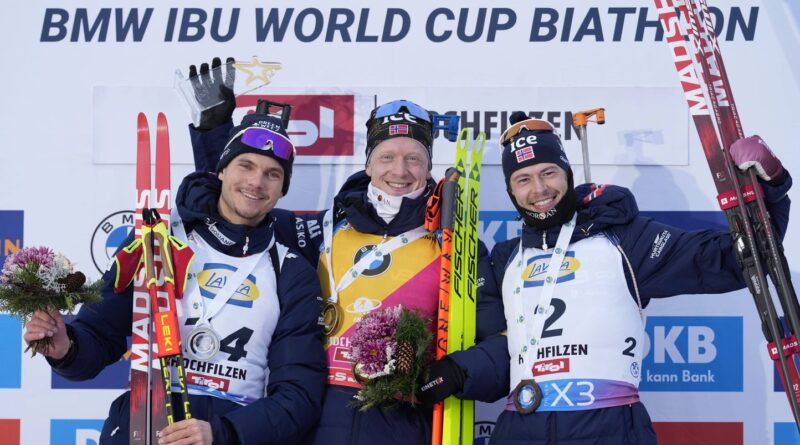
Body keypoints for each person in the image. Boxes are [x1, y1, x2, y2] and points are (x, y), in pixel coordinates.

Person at [419, 111, 793, 444]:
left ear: (567, 173)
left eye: (549, 173)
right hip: (521, 427)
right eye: (524, 179)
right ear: (511, 191)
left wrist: (771, 189)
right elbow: (510, 350)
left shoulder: (623, 239)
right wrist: (458, 371)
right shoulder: (507, 259)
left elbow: (739, 259)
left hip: (608, 424)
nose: (539, 190)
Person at [189, 96, 510, 444]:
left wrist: (454, 372)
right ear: (369, 165)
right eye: (387, 156)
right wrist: (216, 138)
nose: (399, 171)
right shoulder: (320, 231)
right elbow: (241, 204)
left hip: (401, 426)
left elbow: (501, 345)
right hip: (312, 426)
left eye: (413, 158)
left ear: (428, 166)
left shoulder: (456, 246)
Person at [23, 103, 327, 445]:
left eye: (273, 173)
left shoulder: (290, 271)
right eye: (246, 165)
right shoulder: (158, 240)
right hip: (142, 425)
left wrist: (223, 432)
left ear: (283, 189)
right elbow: (99, 332)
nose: (257, 181)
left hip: (228, 430)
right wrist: (67, 348)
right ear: (222, 170)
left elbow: (299, 396)